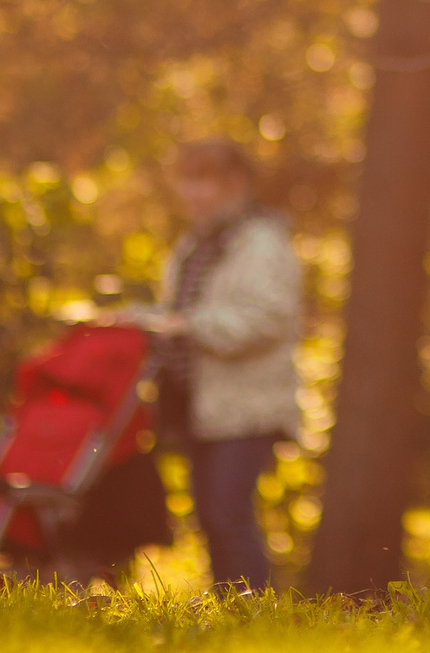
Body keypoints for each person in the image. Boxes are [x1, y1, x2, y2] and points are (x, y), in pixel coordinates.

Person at [122, 137, 304, 590]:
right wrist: (144, 320)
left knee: (228, 513)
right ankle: (232, 613)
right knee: (209, 516)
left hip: (246, 407)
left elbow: (268, 319)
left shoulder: (261, 242)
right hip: (198, 404)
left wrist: (190, 326)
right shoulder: (194, 244)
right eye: (187, 180)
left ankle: (254, 617)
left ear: (236, 183)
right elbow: (178, 310)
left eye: (203, 180)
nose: (192, 193)